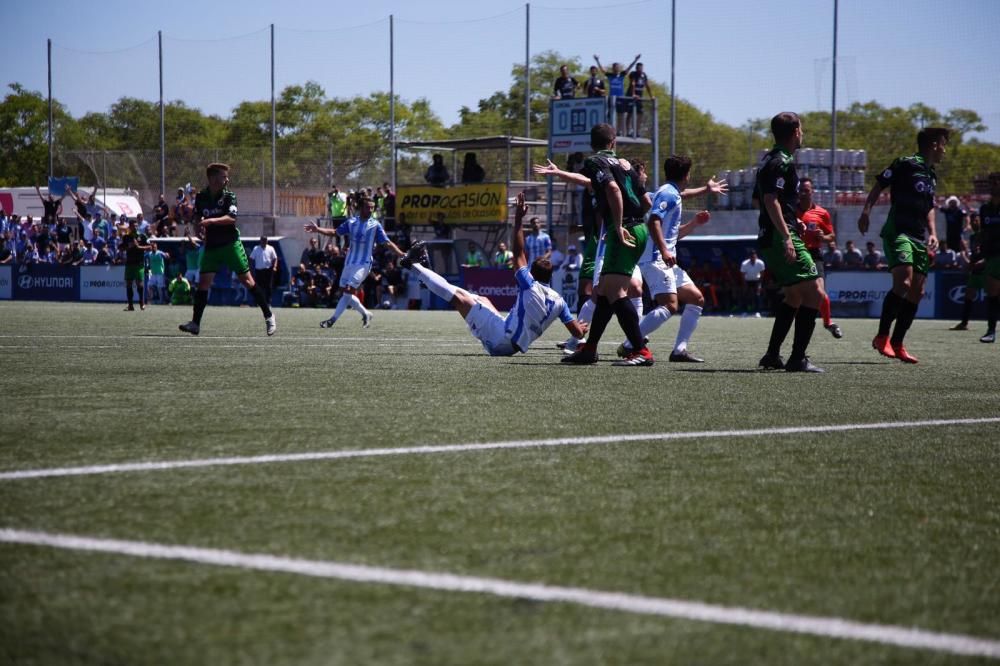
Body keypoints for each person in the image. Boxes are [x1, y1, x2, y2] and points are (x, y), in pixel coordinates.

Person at [401, 193, 587, 356]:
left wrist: (518, 220)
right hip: (508, 342)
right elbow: (577, 332)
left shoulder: (530, 284)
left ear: (532, 273)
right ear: (550, 276)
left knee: (458, 297)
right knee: (483, 299)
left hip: (500, 339)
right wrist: (581, 329)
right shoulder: (560, 301)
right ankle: (428, 277)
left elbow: (518, 252)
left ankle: (414, 266)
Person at [616, 154, 726, 363]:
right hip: (657, 258)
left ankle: (679, 351)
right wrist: (664, 251)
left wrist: (694, 222)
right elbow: (654, 221)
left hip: (665, 258)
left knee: (696, 299)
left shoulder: (670, 192)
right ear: (686, 174)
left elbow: (672, 232)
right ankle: (632, 344)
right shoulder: (668, 194)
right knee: (669, 305)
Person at [858, 127, 950, 363]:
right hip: (898, 232)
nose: (944, 150)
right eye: (943, 144)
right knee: (904, 283)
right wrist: (865, 213)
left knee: (917, 291)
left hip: (919, 236)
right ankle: (882, 337)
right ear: (933, 145)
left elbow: (929, 206)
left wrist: (933, 232)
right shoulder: (906, 163)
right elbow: (880, 184)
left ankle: (898, 343)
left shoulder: (931, 174)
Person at [755, 112, 825, 373]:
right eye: (802, 129)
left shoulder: (767, 161)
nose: (803, 134)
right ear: (795, 131)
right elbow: (770, 200)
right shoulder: (781, 161)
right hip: (778, 236)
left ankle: (773, 355)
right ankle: (798, 358)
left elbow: (761, 201)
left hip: (770, 234)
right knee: (816, 292)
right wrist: (787, 235)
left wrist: (793, 219)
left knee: (795, 295)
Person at [178, 163, 276, 336]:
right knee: (203, 284)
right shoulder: (201, 197)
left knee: (248, 281)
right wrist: (197, 230)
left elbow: (231, 218)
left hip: (231, 244)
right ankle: (195, 324)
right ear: (213, 178)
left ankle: (269, 316)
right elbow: (198, 218)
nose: (227, 179)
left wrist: (209, 222)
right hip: (212, 247)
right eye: (224, 176)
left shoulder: (230, 196)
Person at [305, 196, 405, 329]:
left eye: (372, 208)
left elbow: (386, 242)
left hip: (363, 264)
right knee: (344, 292)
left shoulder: (375, 225)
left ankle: (332, 320)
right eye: (367, 207)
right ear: (361, 208)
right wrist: (318, 229)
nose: (370, 210)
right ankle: (366, 313)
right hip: (349, 262)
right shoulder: (351, 222)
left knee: (348, 291)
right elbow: (335, 232)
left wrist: (401, 254)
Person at [797, 177, 843, 338]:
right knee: (795, 295)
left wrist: (823, 237)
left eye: (806, 190)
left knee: (820, 292)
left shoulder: (822, 213)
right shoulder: (790, 211)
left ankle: (828, 323)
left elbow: (832, 236)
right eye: (800, 190)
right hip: (796, 254)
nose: (803, 193)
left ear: (812, 192)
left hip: (814, 254)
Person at [973, 173, 1000, 343]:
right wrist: (978, 236)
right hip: (992, 256)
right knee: (992, 294)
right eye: (991, 183)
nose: (993, 186)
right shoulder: (985, 209)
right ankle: (991, 330)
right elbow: (983, 234)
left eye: (996, 183)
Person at [593, 54, 640, 135]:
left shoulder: (622, 74)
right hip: (612, 98)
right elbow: (602, 70)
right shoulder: (610, 75)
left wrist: (635, 60)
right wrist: (597, 60)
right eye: (615, 67)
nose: (616, 68)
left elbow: (629, 67)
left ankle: (619, 131)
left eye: (617, 67)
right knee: (610, 114)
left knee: (620, 114)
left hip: (620, 98)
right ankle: (610, 130)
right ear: (613, 68)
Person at [121, 221, 151, 311]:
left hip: (139, 263)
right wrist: (129, 247)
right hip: (129, 263)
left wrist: (139, 247)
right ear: (130, 226)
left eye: (136, 226)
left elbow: (149, 247)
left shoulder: (142, 236)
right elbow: (121, 248)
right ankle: (130, 305)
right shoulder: (126, 237)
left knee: (140, 284)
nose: (135, 227)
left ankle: (141, 303)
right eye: (133, 226)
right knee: (129, 284)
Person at [249, 235, 279, 304]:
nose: (264, 242)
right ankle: (257, 302)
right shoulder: (256, 248)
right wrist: (250, 269)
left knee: (269, 286)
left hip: (268, 270)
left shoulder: (271, 248)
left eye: (265, 240)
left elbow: (275, 258)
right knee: (258, 287)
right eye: (263, 240)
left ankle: (268, 302)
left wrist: (275, 266)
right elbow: (251, 259)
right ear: (260, 241)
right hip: (259, 271)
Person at [626, 62, 653, 137]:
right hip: (631, 96)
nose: (640, 69)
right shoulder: (633, 74)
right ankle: (628, 131)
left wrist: (651, 96)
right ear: (636, 68)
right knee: (630, 113)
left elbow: (647, 85)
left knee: (640, 113)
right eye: (638, 68)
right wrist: (633, 94)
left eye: (641, 68)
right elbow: (633, 84)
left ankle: (637, 131)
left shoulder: (644, 75)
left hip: (639, 98)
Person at [740, 249, 766, 315]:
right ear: (749, 257)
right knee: (745, 294)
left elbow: (762, 274)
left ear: (756, 257)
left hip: (757, 281)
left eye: (754, 257)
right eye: (751, 257)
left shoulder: (761, 263)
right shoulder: (744, 263)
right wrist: (745, 285)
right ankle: (745, 311)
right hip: (747, 281)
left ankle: (758, 311)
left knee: (757, 294)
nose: (753, 258)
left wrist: (759, 284)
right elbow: (742, 275)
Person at [145, 240, 170, 304]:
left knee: (160, 287)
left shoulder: (160, 253)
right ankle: (150, 300)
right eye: (152, 247)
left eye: (154, 247)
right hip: (153, 273)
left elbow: (166, 256)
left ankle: (161, 300)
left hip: (160, 273)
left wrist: (167, 255)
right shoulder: (149, 254)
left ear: (156, 247)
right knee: (149, 285)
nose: (153, 248)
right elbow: (144, 256)